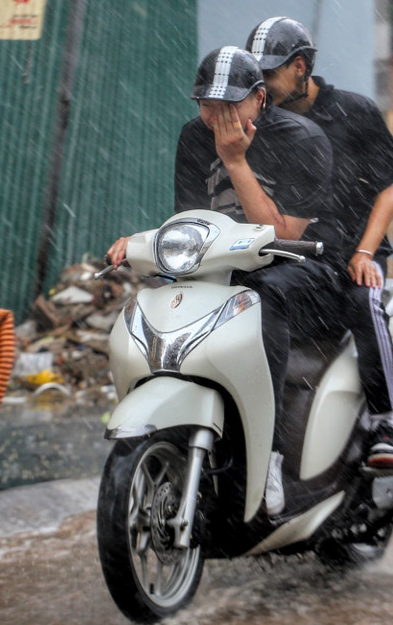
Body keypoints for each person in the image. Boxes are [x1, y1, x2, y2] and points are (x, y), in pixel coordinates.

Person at [106, 46, 341, 516]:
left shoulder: (300, 138)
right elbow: (192, 222)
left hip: (305, 264)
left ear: (259, 98)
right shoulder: (194, 136)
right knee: (173, 294)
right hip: (228, 262)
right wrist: (144, 243)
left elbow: (281, 235)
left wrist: (235, 161)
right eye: (207, 105)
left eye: (230, 105)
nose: (218, 118)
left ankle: (269, 454)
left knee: (262, 293)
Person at [246, 16, 393, 471]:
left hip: (353, 252)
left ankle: (389, 423)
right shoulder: (260, 121)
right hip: (296, 256)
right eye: (255, 77)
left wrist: (365, 252)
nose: (261, 86)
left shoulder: (354, 111)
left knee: (363, 300)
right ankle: (263, 441)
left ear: (300, 67)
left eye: (269, 74)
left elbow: (388, 191)